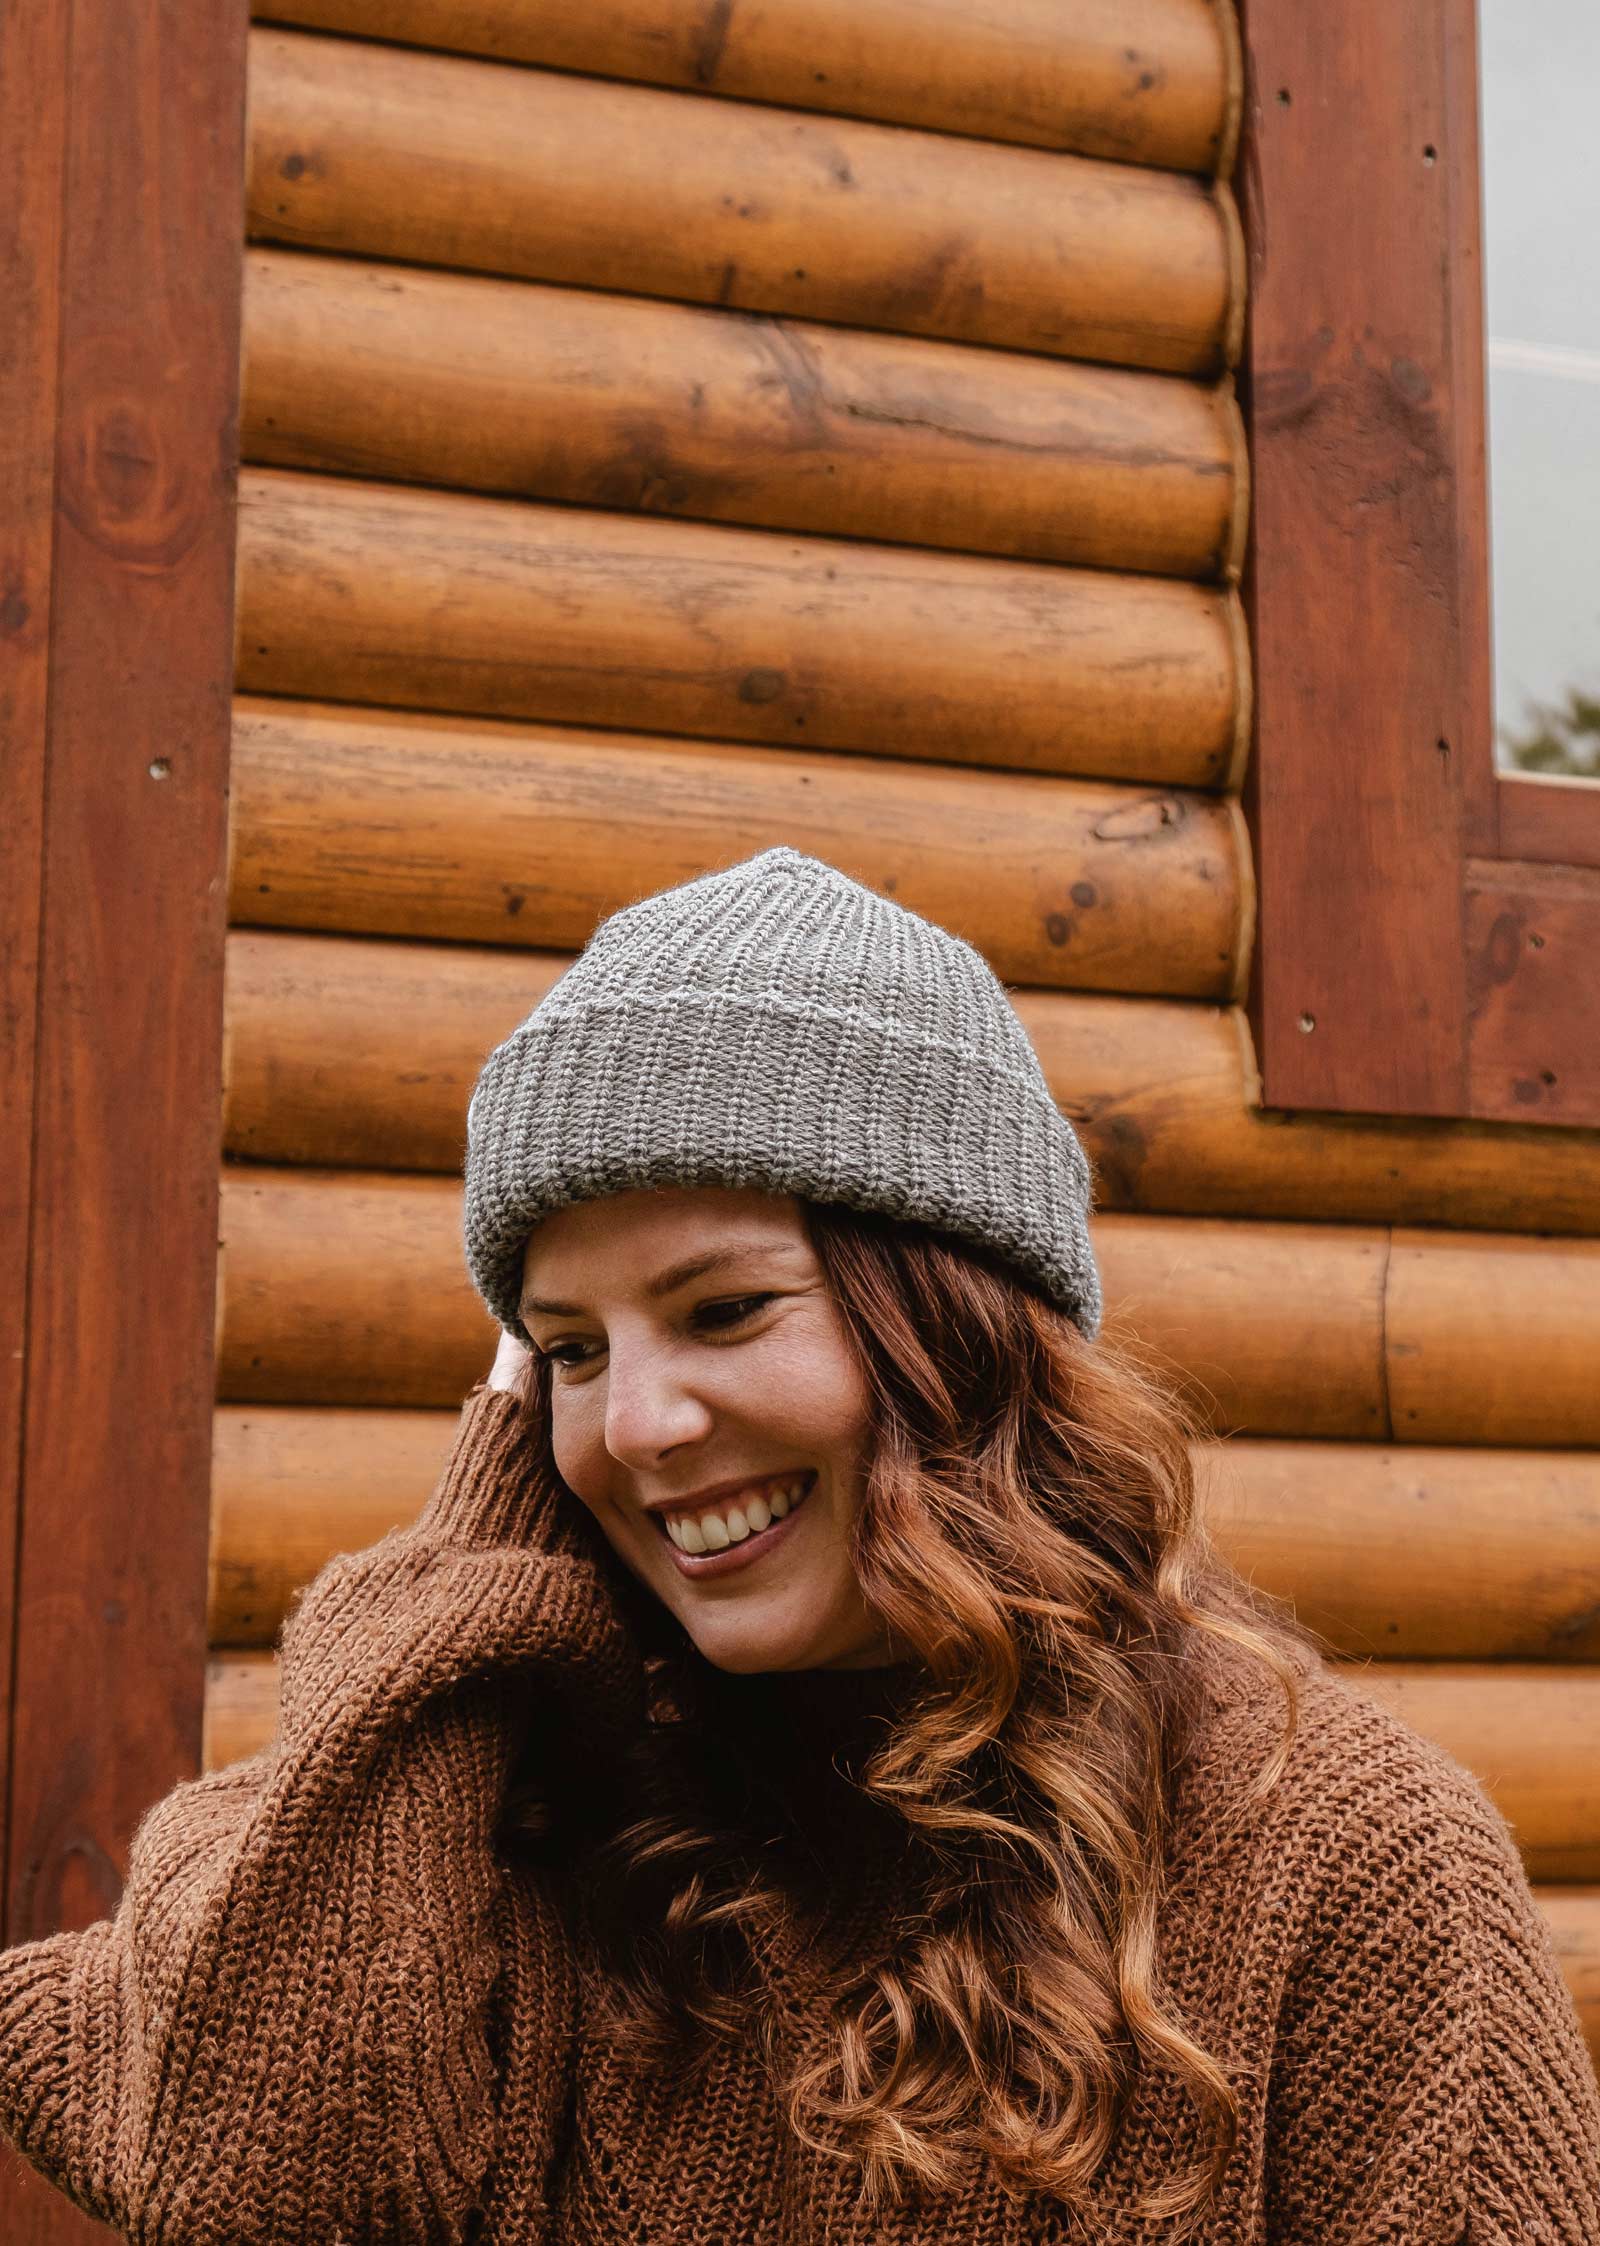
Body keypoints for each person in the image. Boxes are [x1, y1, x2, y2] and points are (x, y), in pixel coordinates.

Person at [1, 844, 1596, 2243]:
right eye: (564, 1350)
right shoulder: (530, 1842)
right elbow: (256, 2163)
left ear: (957, 1329)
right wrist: (474, 1546)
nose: (633, 1423)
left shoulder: (1342, 1865)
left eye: (723, 1309)